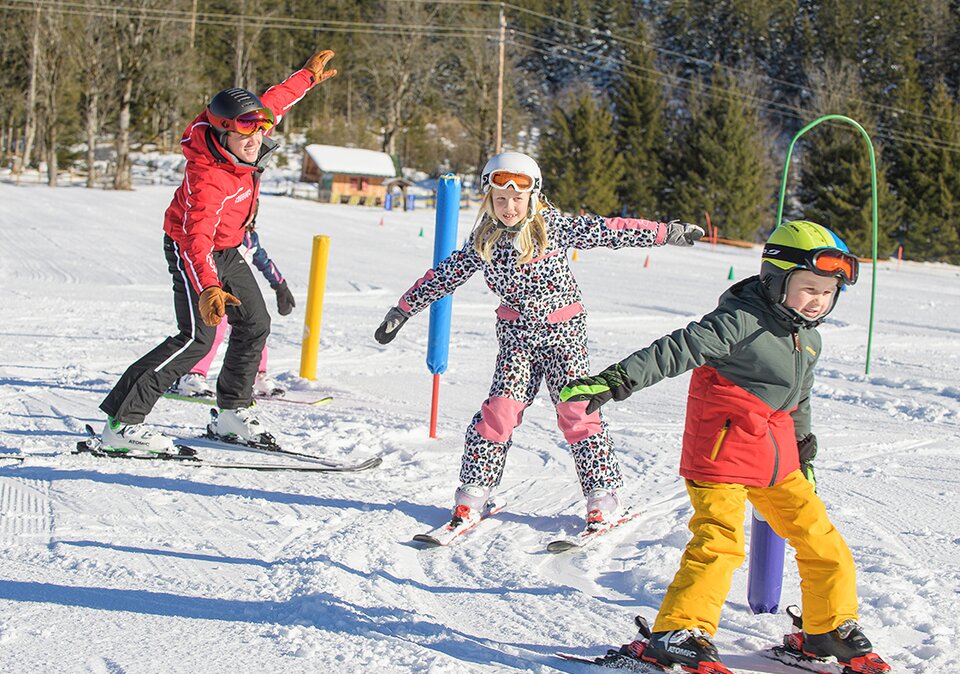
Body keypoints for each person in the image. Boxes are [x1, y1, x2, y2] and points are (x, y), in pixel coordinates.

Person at [560, 221, 888, 674]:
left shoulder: (809, 336)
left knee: (822, 540)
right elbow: (677, 349)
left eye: (828, 293)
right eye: (809, 287)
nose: (818, 300)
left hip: (776, 457)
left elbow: (799, 399)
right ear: (775, 280)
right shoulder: (739, 321)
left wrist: (804, 453)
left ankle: (826, 629)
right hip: (721, 452)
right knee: (720, 542)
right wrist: (615, 381)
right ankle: (680, 631)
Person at [375, 150, 704, 532]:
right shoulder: (483, 239)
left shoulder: (554, 228)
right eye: (500, 199)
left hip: (563, 333)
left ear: (532, 196)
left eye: (517, 198)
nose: (509, 206)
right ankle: (473, 492)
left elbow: (613, 230)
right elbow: (446, 274)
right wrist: (403, 308)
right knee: (499, 411)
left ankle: (603, 496)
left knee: (577, 410)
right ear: (489, 199)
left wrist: (667, 233)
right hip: (517, 338)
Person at [98, 50, 337, 452]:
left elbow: (274, 101)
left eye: (259, 131)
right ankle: (121, 426)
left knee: (255, 322)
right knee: (196, 339)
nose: (255, 139)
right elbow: (196, 238)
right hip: (192, 249)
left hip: (226, 248)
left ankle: (231, 413)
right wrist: (208, 287)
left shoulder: (246, 132)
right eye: (245, 133)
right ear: (223, 130)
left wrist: (306, 78)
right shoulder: (208, 177)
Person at [171, 221, 295, 399]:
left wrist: (280, 285)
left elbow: (264, 262)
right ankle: (192, 375)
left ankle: (256, 375)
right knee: (214, 332)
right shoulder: (220, 232)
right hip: (217, 292)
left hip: (239, 294)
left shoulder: (251, 240)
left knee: (255, 330)